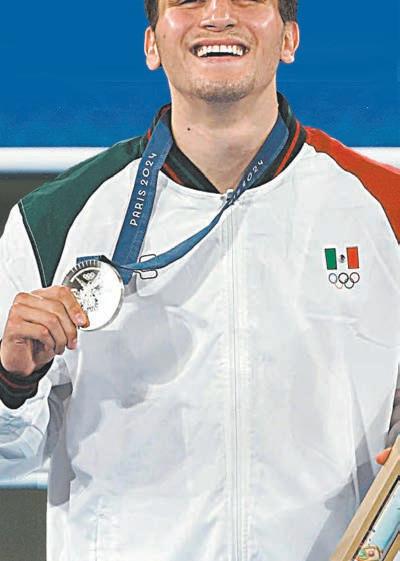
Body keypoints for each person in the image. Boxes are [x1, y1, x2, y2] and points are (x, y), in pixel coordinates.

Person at [0, 0, 399, 559]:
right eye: (187, 1)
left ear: (289, 38)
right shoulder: (54, 220)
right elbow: (9, 457)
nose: (216, 14)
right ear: (152, 44)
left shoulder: (386, 209)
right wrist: (12, 382)